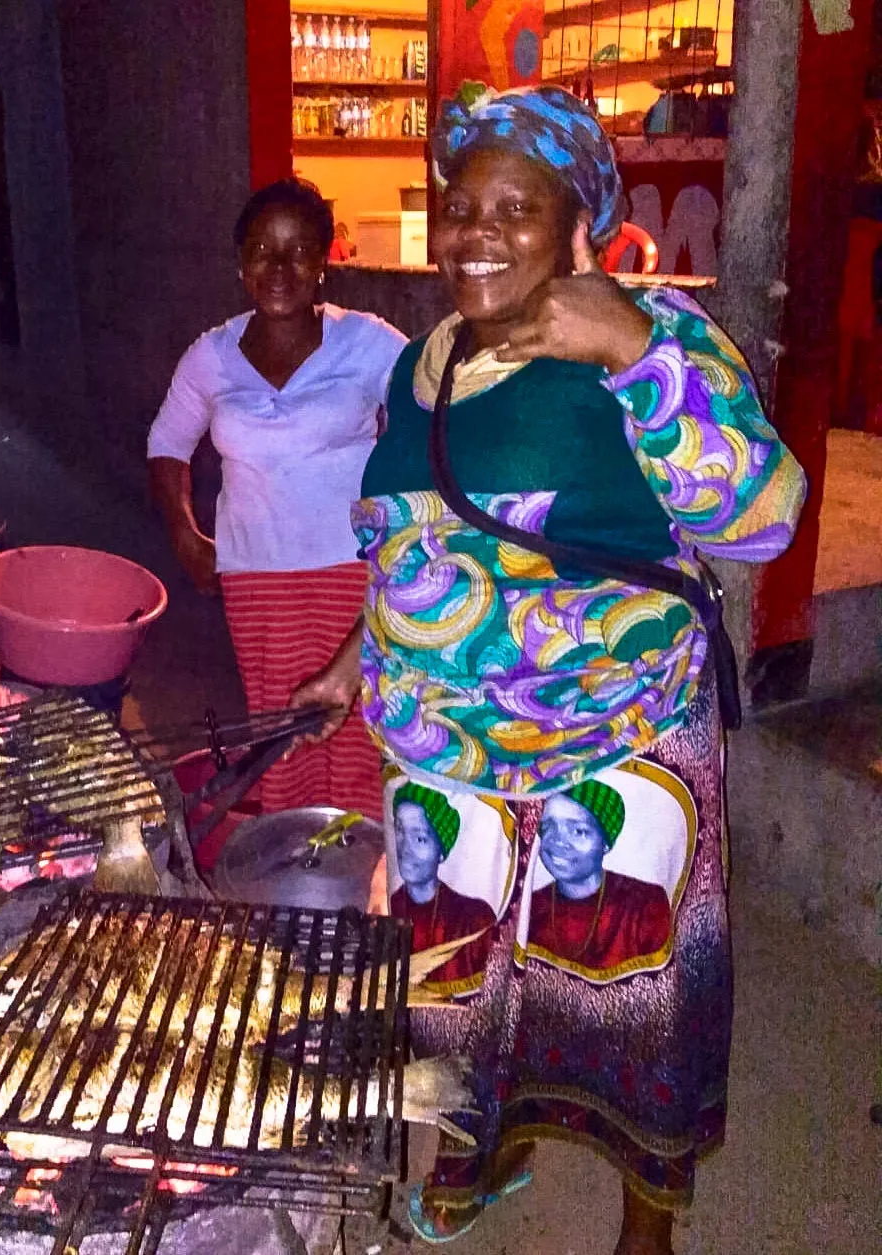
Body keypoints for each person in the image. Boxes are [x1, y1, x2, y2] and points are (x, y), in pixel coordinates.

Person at [292, 82, 805, 1252]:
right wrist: (353, 658)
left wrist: (626, 347)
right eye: (458, 207)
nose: (474, 233)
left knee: (631, 991)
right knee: (463, 978)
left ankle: (648, 1215)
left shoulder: (655, 334)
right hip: (443, 749)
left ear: (581, 228)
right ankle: (482, 1146)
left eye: (514, 208)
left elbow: (762, 518)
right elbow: (413, 545)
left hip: (613, 740)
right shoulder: (417, 363)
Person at [148, 178, 406, 819]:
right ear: (241, 264)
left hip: (353, 572)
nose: (280, 267)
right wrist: (185, 535)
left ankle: (370, 874)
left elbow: (430, 417)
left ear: (323, 261)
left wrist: (404, 526)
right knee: (280, 728)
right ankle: (295, 867)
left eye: (298, 251)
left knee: (359, 728)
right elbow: (166, 444)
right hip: (256, 577)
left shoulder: (368, 342)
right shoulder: (210, 357)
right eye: (263, 250)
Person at [526, 779, 672, 977]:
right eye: (547, 827)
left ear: (605, 843)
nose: (557, 842)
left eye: (578, 831)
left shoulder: (645, 904)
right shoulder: (531, 908)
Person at [390, 782, 496, 996]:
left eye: (420, 838)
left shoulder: (474, 919)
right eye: (400, 831)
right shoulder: (391, 904)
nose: (405, 849)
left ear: (440, 851)